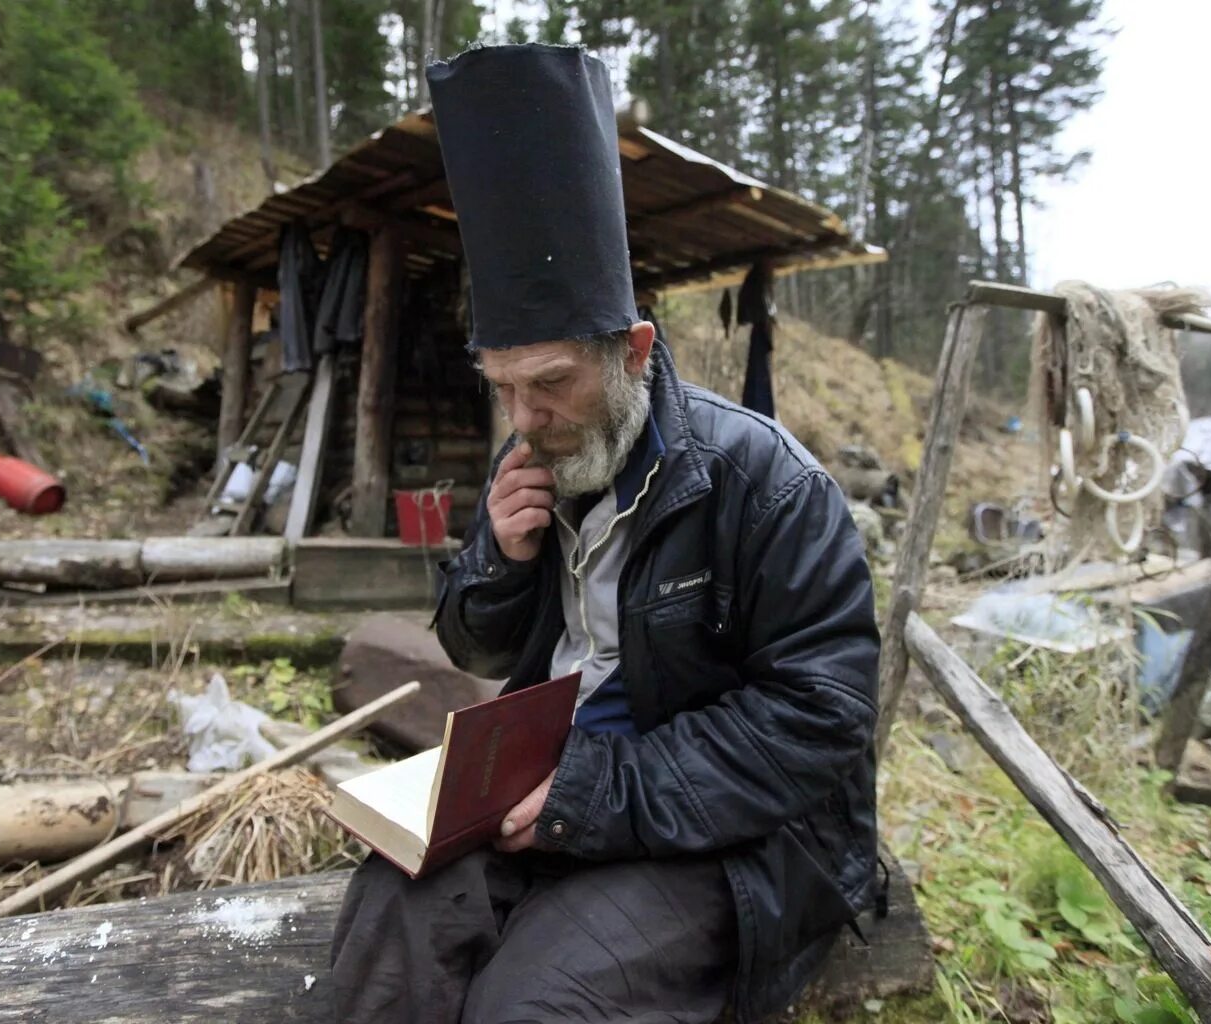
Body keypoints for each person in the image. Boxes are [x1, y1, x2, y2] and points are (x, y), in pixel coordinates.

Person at [330, 43, 881, 1024]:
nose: (527, 417)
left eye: (551, 382)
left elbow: (819, 721)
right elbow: (476, 646)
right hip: (557, 785)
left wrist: (603, 789)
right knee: (386, 914)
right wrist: (500, 560)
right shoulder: (538, 459)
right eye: (503, 388)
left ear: (632, 352)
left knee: (536, 1004)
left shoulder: (766, 483)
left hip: (730, 834)